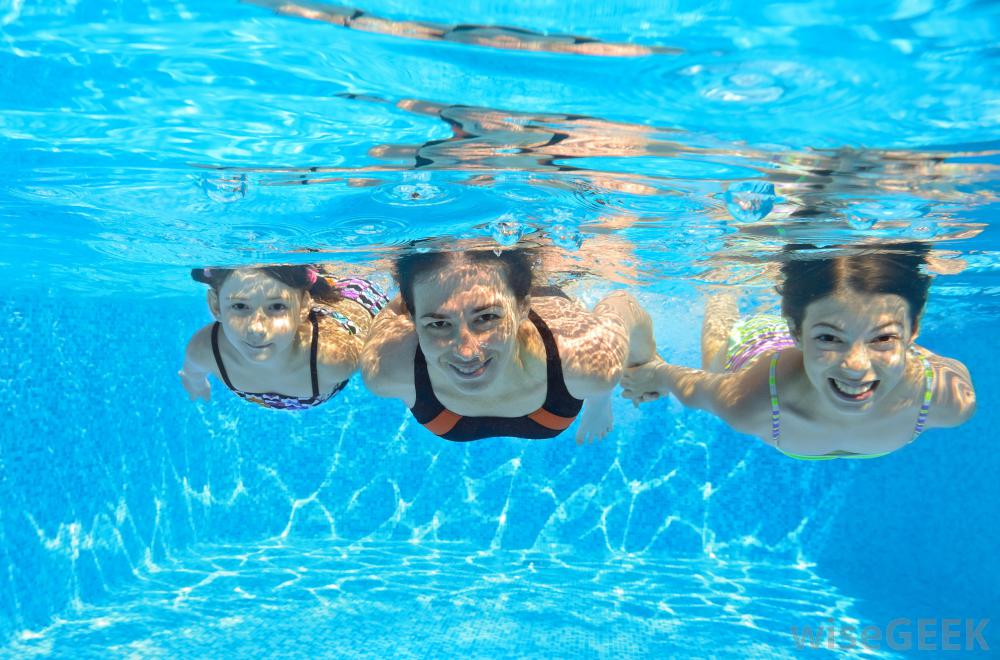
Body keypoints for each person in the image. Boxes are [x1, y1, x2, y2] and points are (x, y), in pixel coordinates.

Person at [622, 243, 976, 459]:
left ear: (913, 331)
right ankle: (723, 282)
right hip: (756, 348)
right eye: (830, 338)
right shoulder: (751, 401)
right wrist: (656, 372)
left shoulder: (948, 400)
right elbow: (696, 388)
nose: (856, 366)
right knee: (715, 362)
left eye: (882, 338)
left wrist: (836, 338)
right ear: (796, 331)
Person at [361, 245, 654, 443]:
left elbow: (622, 304)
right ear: (412, 317)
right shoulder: (385, 370)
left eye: (486, 318)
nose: (466, 352)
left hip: (546, 304)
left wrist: (642, 364)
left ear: (523, 307)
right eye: (438, 324)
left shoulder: (584, 360)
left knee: (597, 381)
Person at [179, 265, 387, 410]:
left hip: (351, 301)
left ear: (305, 305)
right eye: (240, 306)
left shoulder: (334, 358)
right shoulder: (205, 350)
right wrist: (197, 386)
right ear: (216, 306)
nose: (257, 328)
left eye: (277, 307)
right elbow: (191, 375)